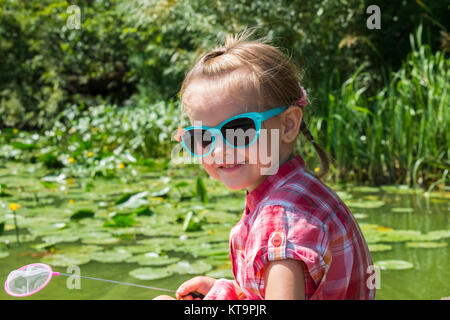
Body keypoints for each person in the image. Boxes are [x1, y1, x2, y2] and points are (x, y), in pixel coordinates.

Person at [153, 28, 375, 300]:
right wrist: (229, 293)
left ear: (289, 124)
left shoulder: (281, 216)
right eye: (202, 137)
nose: (220, 149)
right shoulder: (300, 189)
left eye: (239, 130)